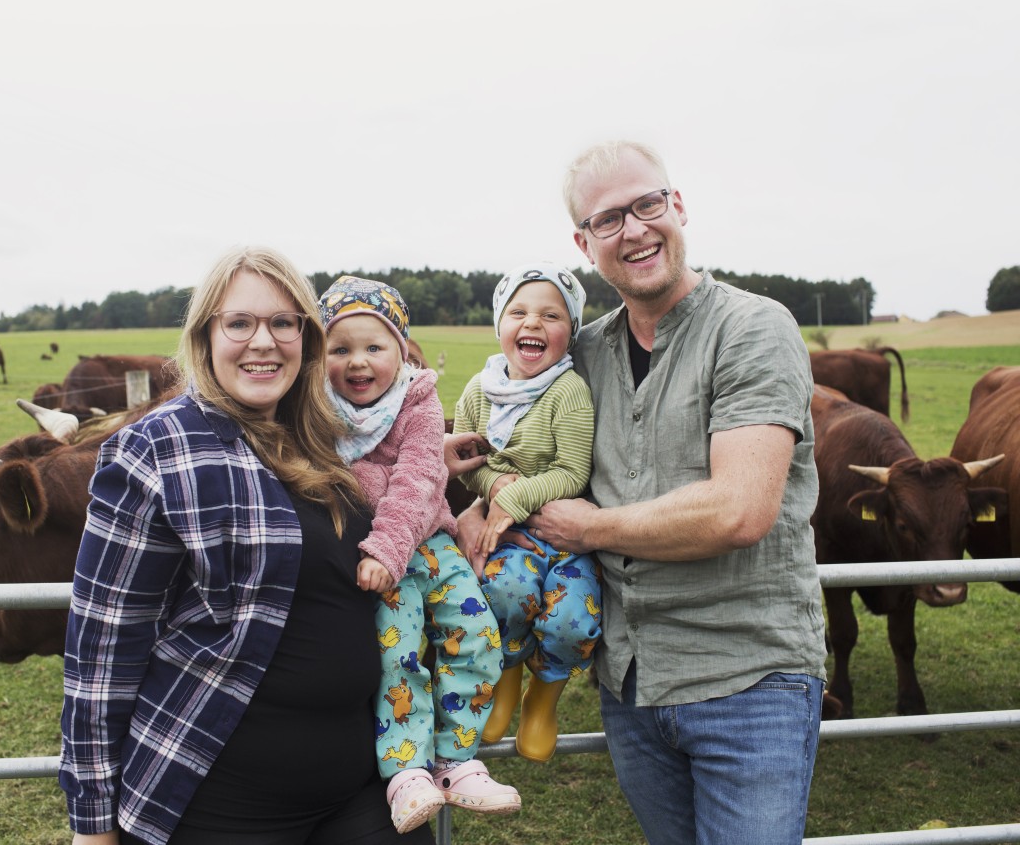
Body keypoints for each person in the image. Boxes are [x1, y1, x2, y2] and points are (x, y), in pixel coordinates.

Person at [458, 141, 829, 844]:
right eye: (607, 219)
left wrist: (592, 529)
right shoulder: (583, 353)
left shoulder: (751, 328)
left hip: (745, 678)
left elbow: (740, 509)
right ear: (584, 241)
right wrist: (480, 505)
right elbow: (526, 454)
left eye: (647, 205)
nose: (633, 230)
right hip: (629, 684)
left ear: (677, 205)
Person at [60, 247, 435, 845]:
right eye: (240, 323)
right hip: (225, 801)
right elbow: (103, 647)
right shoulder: (158, 450)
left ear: (307, 339)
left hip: (364, 785)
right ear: (206, 335)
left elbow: (409, 485)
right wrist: (92, 823)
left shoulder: (329, 435)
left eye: (283, 323)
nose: (264, 341)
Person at [317, 275, 520, 834]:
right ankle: (406, 772)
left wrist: (386, 522)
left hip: (427, 546)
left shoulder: (419, 398)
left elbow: (417, 477)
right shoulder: (316, 409)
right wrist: (396, 482)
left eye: (373, 347)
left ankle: (456, 760)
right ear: (320, 355)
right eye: (340, 348)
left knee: (476, 639)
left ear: (402, 350)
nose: (358, 363)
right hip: (387, 566)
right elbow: (336, 476)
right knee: (396, 656)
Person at [450, 261, 599, 764]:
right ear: (500, 325)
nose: (533, 323)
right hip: (507, 537)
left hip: (562, 539)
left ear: (570, 332)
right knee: (504, 596)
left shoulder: (568, 391)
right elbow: (469, 466)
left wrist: (512, 498)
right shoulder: (478, 391)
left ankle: (543, 701)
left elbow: (573, 471)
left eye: (551, 315)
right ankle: (507, 681)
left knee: (574, 623)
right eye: (519, 312)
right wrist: (492, 484)